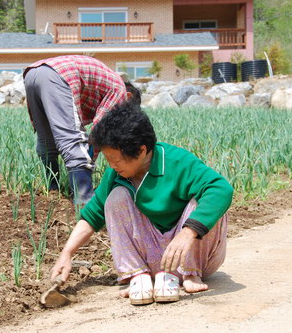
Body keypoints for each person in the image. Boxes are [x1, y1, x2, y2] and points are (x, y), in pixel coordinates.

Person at [50, 102, 233, 305]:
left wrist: (188, 232)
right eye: (108, 159)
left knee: (206, 201)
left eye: (117, 160)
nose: (111, 165)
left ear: (142, 150)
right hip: (153, 257)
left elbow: (221, 189)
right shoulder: (116, 174)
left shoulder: (177, 162)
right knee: (116, 197)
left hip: (193, 255)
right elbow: (93, 215)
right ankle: (137, 275)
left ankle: (190, 274)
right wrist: (66, 253)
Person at [23, 55, 141, 204]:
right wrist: (89, 158)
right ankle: (84, 201)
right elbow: (100, 129)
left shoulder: (107, 84)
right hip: (60, 75)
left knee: (46, 140)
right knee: (72, 140)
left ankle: (52, 189)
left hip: (33, 73)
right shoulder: (120, 90)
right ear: (128, 97)